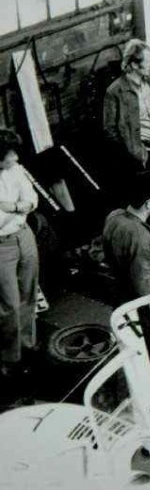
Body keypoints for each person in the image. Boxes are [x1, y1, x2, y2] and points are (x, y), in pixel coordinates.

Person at [102, 39, 150, 201]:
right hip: (142, 154)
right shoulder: (115, 91)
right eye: (148, 61)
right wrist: (133, 149)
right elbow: (110, 130)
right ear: (134, 65)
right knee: (149, 198)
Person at [0, 130, 39, 381]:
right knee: (9, 304)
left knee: (29, 292)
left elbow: (32, 200)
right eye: (9, 154)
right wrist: (17, 208)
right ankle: (9, 358)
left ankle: (27, 344)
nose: (15, 157)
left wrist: (12, 207)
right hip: (2, 246)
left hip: (24, 236)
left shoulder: (16, 170)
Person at [102, 173, 150, 310]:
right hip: (141, 305)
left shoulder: (114, 215)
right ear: (149, 203)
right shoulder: (142, 238)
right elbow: (145, 287)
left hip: (120, 292)